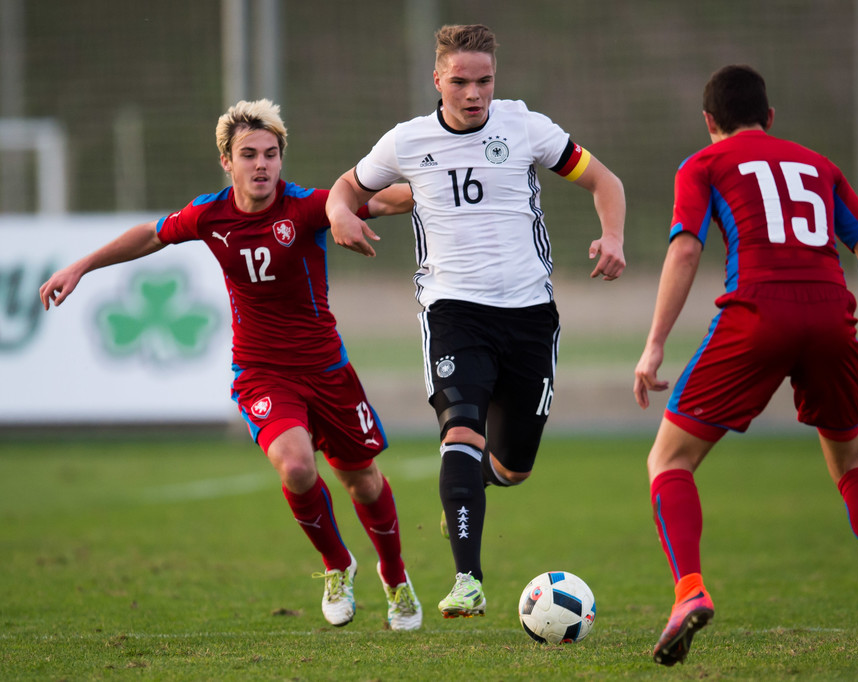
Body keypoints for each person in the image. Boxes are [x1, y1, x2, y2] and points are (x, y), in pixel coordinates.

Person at [39, 99, 424, 631]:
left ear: (281, 159)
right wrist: (81, 264)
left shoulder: (308, 207)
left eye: (270, 154)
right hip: (262, 371)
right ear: (227, 161)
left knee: (362, 481)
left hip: (328, 371)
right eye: (249, 155)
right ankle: (337, 564)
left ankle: (395, 575)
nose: (261, 164)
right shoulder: (209, 214)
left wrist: (435, 183)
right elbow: (152, 234)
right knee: (294, 466)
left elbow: (383, 202)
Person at [326, 24, 626, 619]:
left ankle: (466, 490)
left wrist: (613, 235)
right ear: (437, 79)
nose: (473, 93)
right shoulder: (407, 142)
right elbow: (347, 187)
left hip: (531, 315)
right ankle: (468, 578)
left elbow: (604, 181)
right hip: (453, 311)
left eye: (483, 80)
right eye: (459, 81)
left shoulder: (526, 127)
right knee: (460, 429)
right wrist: (340, 212)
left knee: (513, 468)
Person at [633, 65, 858, 666]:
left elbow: (687, 247)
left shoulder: (703, 164)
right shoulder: (819, 165)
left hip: (758, 314)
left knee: (669, 459)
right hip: (830, 315)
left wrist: (654, 343)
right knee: (851, 463)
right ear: (770, 117)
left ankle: (689, 592)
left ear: (709, 122)